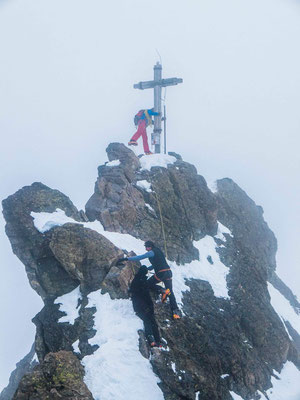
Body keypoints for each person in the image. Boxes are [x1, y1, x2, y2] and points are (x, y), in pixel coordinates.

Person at [119, 241, 181, 320]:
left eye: (147, 247)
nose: (146, 248)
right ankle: (176, 312)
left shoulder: (151, 252)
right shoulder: (158, 250)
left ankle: (162, 290)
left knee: (147, 284)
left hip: (161, 273)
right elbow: (158, 262)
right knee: (170, 291)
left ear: (150, 246)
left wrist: (126, 258)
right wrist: (148, 269)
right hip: (168, 272)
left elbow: (139, 257)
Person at [129, 265, 161, 347]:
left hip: (144, 306)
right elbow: (139, 296)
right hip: (142, 307)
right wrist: (145, 307)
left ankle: (157, 340)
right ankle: (152, 339)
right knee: (148, 321)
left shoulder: (138, 280)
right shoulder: (140, 282)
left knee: (152, 321)